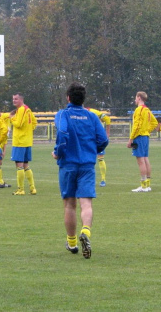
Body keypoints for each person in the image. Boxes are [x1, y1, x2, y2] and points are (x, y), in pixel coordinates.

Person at [53, 83, 108, 259]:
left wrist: (58, 152)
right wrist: (93, 149)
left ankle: (71, 243)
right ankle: (86, 231)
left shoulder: (63, 114)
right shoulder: (92, 117)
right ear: (83, 99)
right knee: (86, 203)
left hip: (68, 164)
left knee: (69, 204)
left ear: (68, 98)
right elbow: (104, 140)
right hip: (87, 164)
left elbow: (62, 133)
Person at [127, 91, 158, 192]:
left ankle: (143, 185)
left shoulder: (139, 110)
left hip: (139, 137)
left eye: (135, 98)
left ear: (139, 98)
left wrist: (131, 139)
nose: (135, 100)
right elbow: (154, 122)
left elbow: (136, 126)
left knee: (140, 161)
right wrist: (147, 130)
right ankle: (147, 185)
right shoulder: (147, 110)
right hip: (145, 137)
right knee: (145, 159)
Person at [9, 93, 38, 195]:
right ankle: (32, 188)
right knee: (26, 165)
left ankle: (21, 189)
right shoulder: (28, 109)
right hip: (27, 141)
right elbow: (34, 123)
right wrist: (28, 132)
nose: (14, 101)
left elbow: (18, 124)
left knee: (19, 165)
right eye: (13, 99)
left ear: (21, 100)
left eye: (16, 99)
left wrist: (12, 118)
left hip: (19, 141)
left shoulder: (21, 110)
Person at [85, 107, 111, 187]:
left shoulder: (94, 112)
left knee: (100, 158)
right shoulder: (79, 115)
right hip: (87, 139)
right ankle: (87, 180)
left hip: (97, 139)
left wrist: (107, 133)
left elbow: (107, 119)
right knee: (86, 159)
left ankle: (103, 179)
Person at [0, 112, 12, 189]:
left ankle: (0, 181)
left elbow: (5, 140)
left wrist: (4, 151)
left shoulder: (5, 121)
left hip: (0, 147)